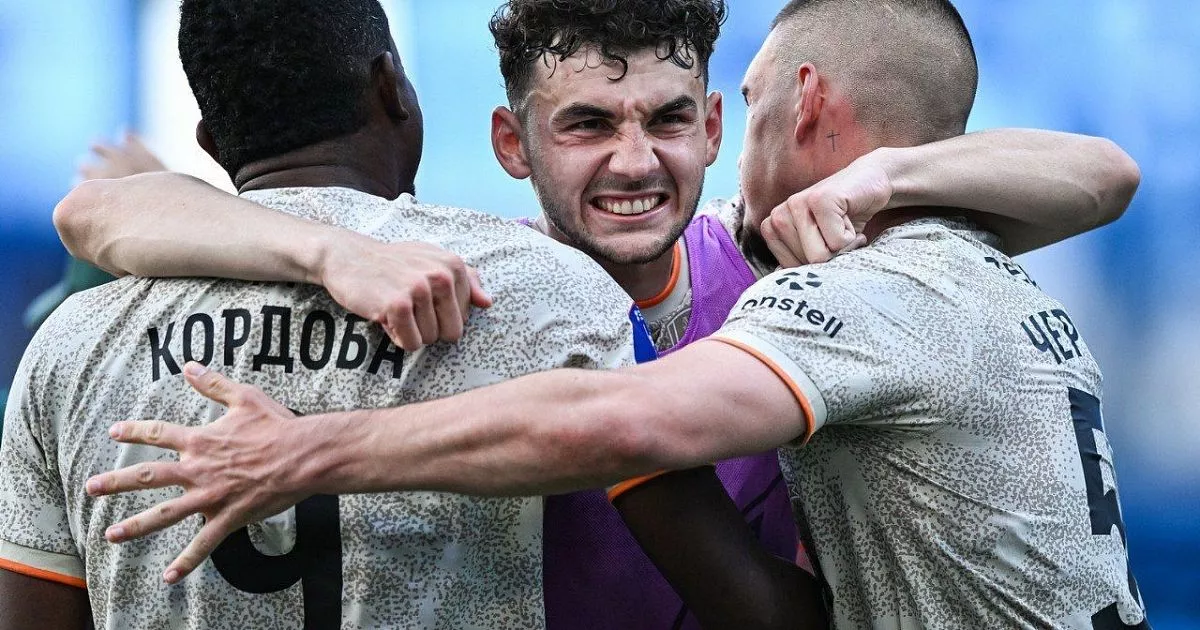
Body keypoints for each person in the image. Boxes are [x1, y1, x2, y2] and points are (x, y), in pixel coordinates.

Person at [57, 0, 1140, 628]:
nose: (635, 161)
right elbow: (98, 212)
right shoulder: (462, 293)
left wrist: (885, 175)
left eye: (667, 119)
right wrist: (329, 251)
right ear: (511, 146)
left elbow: (1102, 172)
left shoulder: (787, 261)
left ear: (715, 126)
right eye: (585, 125)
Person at [0, 0, 653, 628]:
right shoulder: (548, 290)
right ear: (392, 88)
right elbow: (705, 583)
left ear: (211, 143)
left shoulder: (72, 345)